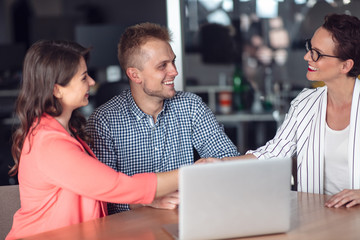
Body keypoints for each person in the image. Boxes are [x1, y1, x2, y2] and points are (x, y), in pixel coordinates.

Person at [6, 40, 179, 240]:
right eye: (83, 78)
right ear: (57, 90)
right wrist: (190, 173)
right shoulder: (50, 144)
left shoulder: (64, 131)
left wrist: (143, 201)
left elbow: (96, 189)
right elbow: (118, 186)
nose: (91, 82)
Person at [86, 22, 240, 214]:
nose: (174, 71)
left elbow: (229, 161)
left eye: (173, 61)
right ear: (135, 75)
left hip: (188, 220)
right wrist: (142, 200)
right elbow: (101, 198)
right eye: (162, 66)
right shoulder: (104, 122)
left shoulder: (190, 106)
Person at [225, 13, 360, 208]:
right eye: (309, 47)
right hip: (317, 217)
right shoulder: (305, 103)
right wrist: (220, 164)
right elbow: (273, 152)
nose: (307, 57)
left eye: (317, 53)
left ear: (346, 65)